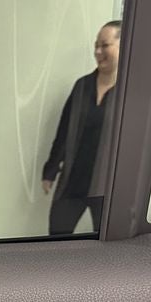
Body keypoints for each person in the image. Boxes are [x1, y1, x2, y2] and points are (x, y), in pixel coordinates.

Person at [42, 20, 121, 236]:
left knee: (109, 243)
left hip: (108, 187)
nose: (98, 51)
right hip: (73, 180)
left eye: (105, 45)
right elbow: (64, 131)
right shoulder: (82, 86)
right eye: (96, 45)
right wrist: (50, 170)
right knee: (57, 236)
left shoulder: (130, 93)